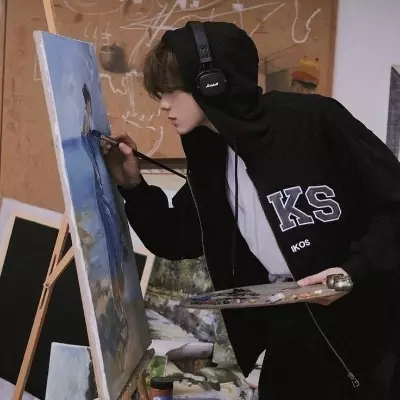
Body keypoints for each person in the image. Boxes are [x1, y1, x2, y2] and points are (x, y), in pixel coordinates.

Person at [102, 21, 400, 399]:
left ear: (212, 82)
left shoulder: (314, 120)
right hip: (291, 333)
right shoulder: (210, 153)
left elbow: (394, 205)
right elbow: (180, 238)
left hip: (369, 331)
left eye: (173, 91)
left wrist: (353, 272)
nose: (163, 104)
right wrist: (133, 187)